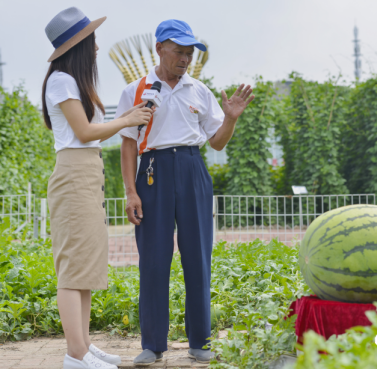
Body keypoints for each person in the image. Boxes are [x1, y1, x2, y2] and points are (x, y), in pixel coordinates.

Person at [116, 19, 254, 365]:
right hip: (152, 173)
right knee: (153, 260)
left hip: (193, 170)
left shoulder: (199, 90)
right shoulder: (135, 90)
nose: (185, 58)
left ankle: (200, 342)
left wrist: (231, 119)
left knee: (198, 257)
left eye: (190, 53)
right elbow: (129, 145)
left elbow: (217, 144)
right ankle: (153, 344)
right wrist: (131, 192)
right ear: (159, 47)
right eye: (179, 51)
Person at [42, 7, 154, 369]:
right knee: (73, 266)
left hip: (87, 173)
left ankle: (84, 347)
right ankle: (75, 355)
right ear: (76, 45)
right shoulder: (61, 80)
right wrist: (128, 119)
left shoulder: (74, 83)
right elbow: (85, 133)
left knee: (85, 264)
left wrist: (128, 117)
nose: (95, 47)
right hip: (74, 173)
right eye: (90, 40)